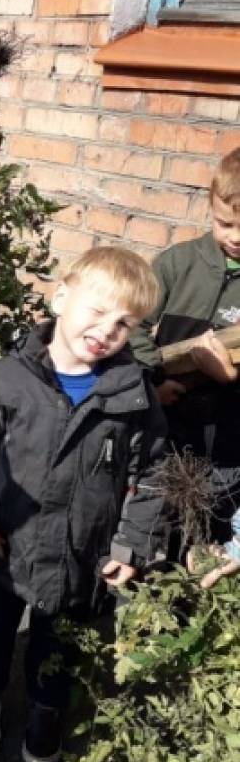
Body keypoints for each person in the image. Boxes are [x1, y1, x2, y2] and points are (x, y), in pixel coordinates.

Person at [0, 246, 168, 762]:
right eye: (97, 310)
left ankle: (47, 712)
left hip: (81, 559)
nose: (107, 330)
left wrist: (130, 547)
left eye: (124, 324)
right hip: (7, 549)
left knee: (60, 648)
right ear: (62, 296)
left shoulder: (132, 395)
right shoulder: (7, 380)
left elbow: (154, 476)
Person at [131, 146, 240, 567]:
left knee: (213, 514)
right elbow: (132, 323)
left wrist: (227, 377)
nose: (235, 236)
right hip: (167, 418)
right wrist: (155, 382)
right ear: (210, 208)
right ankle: (140, 575)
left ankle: (199, 579)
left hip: (228, 431)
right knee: (154, 507)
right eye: (225, 223)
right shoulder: (178, 264)